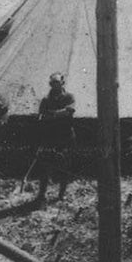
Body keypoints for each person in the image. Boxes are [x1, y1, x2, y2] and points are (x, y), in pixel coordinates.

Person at [34, 73, 76, 203]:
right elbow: (42, 115)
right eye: (53, 83)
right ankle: (42, 194)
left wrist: (52, 114)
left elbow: (70, 111)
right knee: (45, 167)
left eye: (57, 83)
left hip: (65, 136)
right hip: (50, 137)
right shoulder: (46, 100)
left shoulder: (69, 97)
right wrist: (60, 113)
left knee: (64, 166)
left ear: (62, 83)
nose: (55, 85)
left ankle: (61, 195)